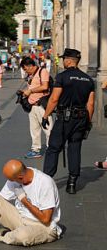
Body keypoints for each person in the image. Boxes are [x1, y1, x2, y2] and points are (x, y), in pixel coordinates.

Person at [42, 48, 96, 194]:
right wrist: (88, 123)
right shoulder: (88, 79)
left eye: (63, 59)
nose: (62, 61)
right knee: (75, 148)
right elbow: (90, 104)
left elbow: (54, 99)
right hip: (81, 119)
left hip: (64, 119)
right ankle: (72, 182)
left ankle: (46, 179)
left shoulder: (62, 77)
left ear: (68, 60)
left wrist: (45, 116)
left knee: (53, 148)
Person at [0, 160, 61, 247]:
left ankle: (2, 233)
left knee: (23, 236)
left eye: (11, 180)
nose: (9, 181)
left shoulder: (45, 183)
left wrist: (24, 201)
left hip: (43, 226)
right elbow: (0, 201)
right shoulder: (15, 177)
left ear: (20, 177)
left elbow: (46, 219)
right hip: (21, 218)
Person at [19, 57, 53, 159]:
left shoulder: (42, 72)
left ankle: (51, 148)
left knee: (47, 128)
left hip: (41, 106)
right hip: (32, 106)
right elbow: (31, 88)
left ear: (30, 66)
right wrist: (25, 92)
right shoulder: (31, 75)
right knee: (34, 130)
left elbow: (45, 86)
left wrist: (31, 91)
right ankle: (35, 149)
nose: (25, 71)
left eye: (25, 69)